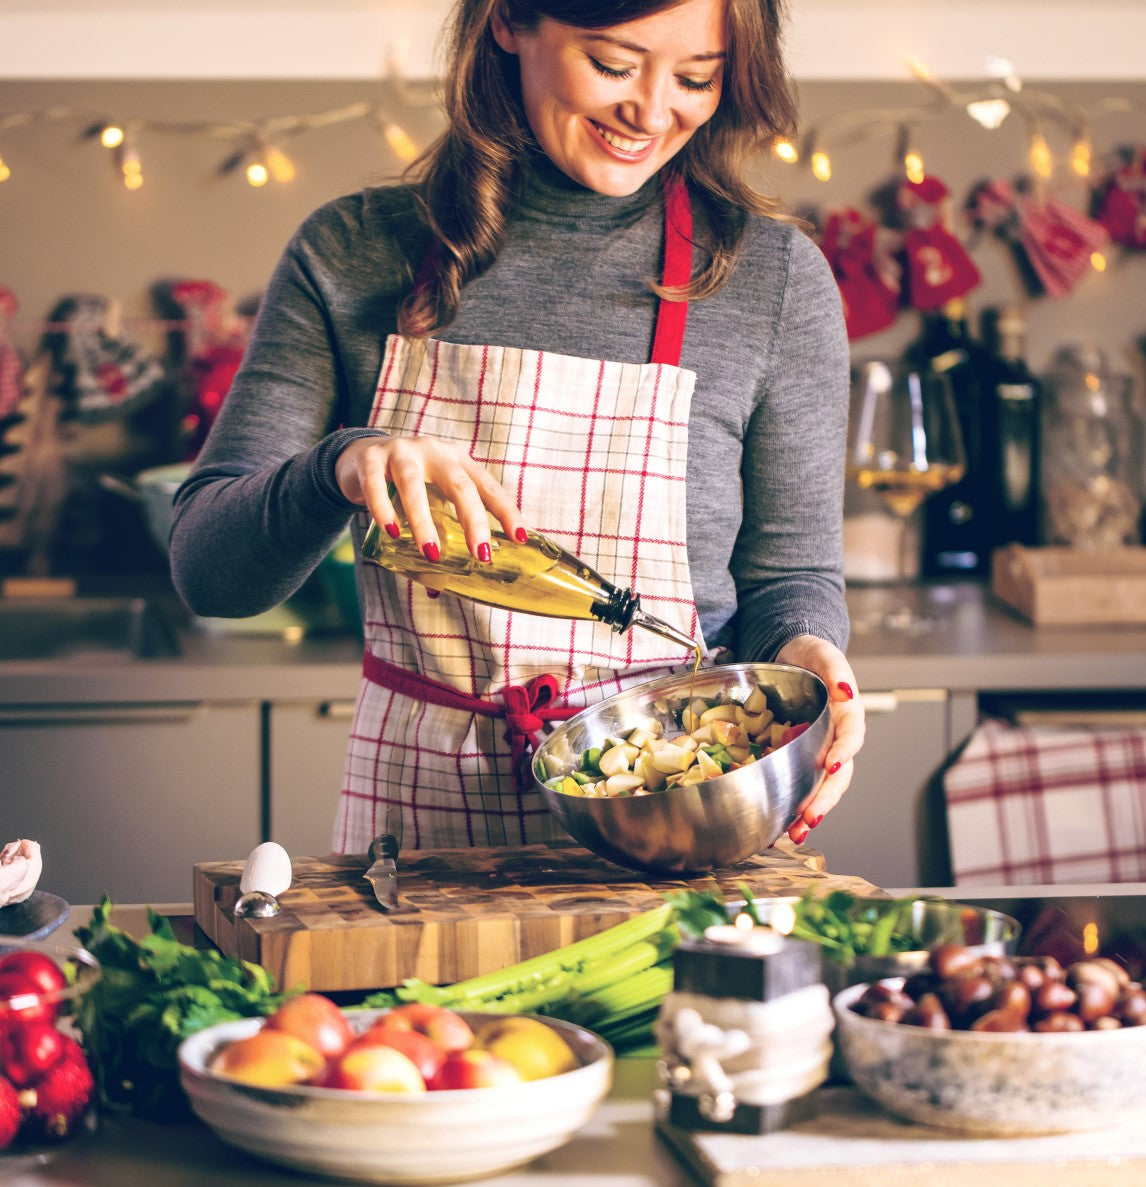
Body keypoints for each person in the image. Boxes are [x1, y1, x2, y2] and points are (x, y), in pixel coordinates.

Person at [170, 0, 866, 855]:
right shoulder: (352, 253)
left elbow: (790, 574)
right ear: (509, 21)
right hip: (420, 842)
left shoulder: (773, 280)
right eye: (613, 64)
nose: (651, 113)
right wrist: (339, 467)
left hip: (683, 819)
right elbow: (210, 574)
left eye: (696, 78)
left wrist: (810, 654)